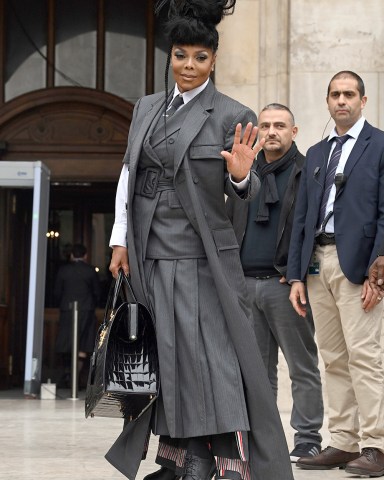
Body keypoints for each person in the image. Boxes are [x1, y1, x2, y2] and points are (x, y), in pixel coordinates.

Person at [106, 1, 294, 479]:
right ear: (169, 57)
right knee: (166, 361)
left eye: (200, 58)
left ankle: (227, 462)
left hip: (203, 259)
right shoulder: (146, 107)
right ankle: (180, 458)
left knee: (214, 361)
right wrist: (119, 241)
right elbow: (129, 176)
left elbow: (249, 190)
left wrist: (239, 177)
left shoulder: (232, 113)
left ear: (214, 60)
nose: (189, 67)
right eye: (180, 56)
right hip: (149, 257)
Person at [287, 71, 384, 476]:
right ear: (327, 102)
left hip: (360, 267)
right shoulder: (316, 152)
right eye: (335, 95)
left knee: (366, 357)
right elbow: (302, 217)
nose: (341, 100)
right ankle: (344, 441)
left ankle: (376, 444)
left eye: (349, 94)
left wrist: (379, 268)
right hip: (316, 265)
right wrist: (295, 276)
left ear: (363, 101)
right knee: (333, 358)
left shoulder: (379, 145)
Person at [226, 103, 323, 463]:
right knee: (257, 373)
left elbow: (313, 228)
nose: (271, 131)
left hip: (286, 285)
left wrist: (298, 270)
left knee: (302, 366)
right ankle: (263, 439)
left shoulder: (307, 171)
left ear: (293, 132)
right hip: (245, 285)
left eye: (280, 125)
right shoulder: (243, 170)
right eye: (265, 125)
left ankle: (308, 438)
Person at [54, 243, 101, 387]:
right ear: (85, 256)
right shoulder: (90, 271)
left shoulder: (63, 270)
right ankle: (76, 377)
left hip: (67, 310)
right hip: (86, 310)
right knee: (83, 344)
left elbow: (56, 293)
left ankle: (69, 375)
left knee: (67, 343)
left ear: (72, 255)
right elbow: (97, 293)